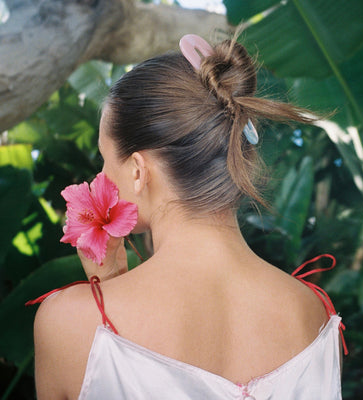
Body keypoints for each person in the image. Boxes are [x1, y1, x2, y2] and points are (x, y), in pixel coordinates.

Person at [32, 35, 346, 400]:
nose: (100, 176)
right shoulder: (313, 316)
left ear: (138, 171)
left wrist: (108, 290)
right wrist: (112, 283)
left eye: (105, 158)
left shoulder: (71, 323)